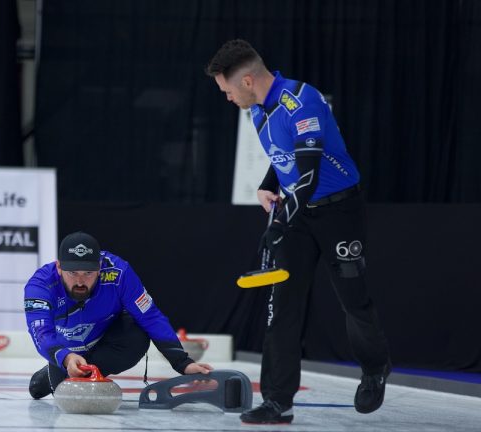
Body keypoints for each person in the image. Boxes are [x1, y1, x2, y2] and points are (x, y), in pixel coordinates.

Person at [206, 40, 391, 425]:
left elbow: (308, 172)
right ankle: (278, 401)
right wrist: (265, 185)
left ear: (248, 80)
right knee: (282, 308)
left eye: (227, 90)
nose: (226, 98)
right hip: (298, 214)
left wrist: (281, 221)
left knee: (353, 301)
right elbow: (282, 157)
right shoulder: (256, 109)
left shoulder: (301, 100)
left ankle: (375, 369)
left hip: (338, 210)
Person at [24, 231, 213, 399]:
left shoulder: (119, 273)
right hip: (66, 349)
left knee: (137, 334)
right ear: (59, 267)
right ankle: (54, 369)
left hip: (107, 338)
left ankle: (84, 367)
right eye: (72, 272)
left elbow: (150, 316)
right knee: (40, 390)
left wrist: (182, 363)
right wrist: (65, 357)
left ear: (99, 267)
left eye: (88, 273)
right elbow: (41, 333)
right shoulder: (40, 285)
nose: (80, 281)